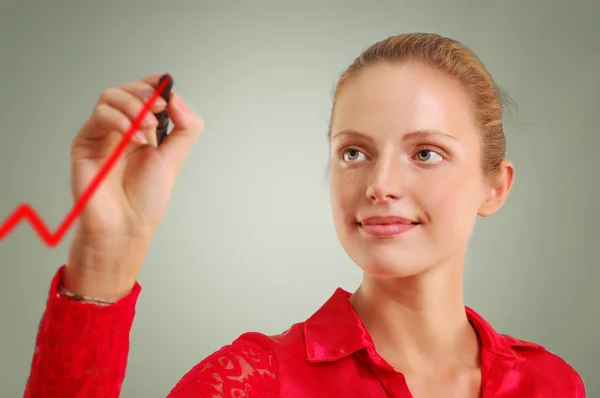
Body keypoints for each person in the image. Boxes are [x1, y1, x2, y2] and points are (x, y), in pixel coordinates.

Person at [22, 33, 585, 398]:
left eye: (426, 153)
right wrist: (105, 253)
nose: (380, 185)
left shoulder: (554, 384)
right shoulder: (250, 382)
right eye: (354, 152)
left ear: (495, 186)